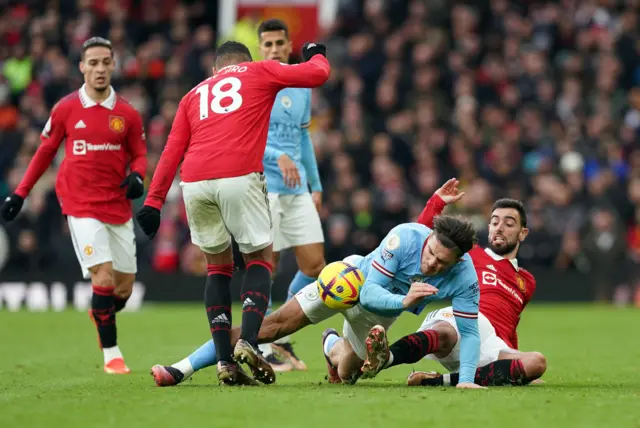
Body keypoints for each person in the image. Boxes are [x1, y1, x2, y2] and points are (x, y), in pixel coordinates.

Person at [136, 41, 330, 386]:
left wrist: (153, 202)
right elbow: (318, 75)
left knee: (218, 268)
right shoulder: (259, 70)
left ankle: (225, 362)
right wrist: (317, 52)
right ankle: (249, 341)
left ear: (215, 70)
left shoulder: (193, 94)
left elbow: (171, 150)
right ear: (246, 62)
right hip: (239, 174)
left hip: (194, 182)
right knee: (259, 260)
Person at [150, 215, 485, 389]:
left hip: (378, 315)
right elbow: (367, 292)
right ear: (428, 240)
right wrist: (405, 300)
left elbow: (469, 332)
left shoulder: (465, 278)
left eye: (442, 264)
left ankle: (332, 347)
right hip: (349, 282)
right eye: (431, 255)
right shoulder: (405, 238)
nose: (431, 265)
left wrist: (467, 378)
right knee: (270, 327)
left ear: (457, 262)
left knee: (350, 373)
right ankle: (180, 369)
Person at [184, 19, 326, 374]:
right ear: (260, 49)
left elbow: (303, 137)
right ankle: (261, 340)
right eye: (269, 44)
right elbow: (239, 141)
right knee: (267, 265)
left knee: (315, 267)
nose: (275, 49)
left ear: (289, 44)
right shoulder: (255, 83)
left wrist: (316, 183)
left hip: (297, 190)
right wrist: (275, 155)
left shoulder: (298, 87)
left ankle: (275, 333)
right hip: (265, 187)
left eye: (281, 43)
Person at [0, 37, 147, 374]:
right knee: (104, 276)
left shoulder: (127, 113)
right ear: (82, 66)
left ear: (113, 65)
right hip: (80, 204)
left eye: (104, 62)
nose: (98, 69)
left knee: (123, 288)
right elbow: (45, 153)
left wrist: (138, 176)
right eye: (92, 62)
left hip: (117, 205)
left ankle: (101, 311)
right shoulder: (66, 108)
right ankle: (112, 355)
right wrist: (20, 193)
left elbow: (139, 154)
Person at [360, 179, 547, 387]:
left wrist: (518, 369)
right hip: (463, 319)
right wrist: (437, 202)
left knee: (537, 362)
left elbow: (511, 325)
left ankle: (437, 381)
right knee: (445, 332)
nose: (499, 228)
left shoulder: (526, 281)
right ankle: (386, 358)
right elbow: (425, 237)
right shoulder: (468, 256)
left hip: (490, 343)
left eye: (509, 223)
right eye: (495, 222)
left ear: (523, 233)